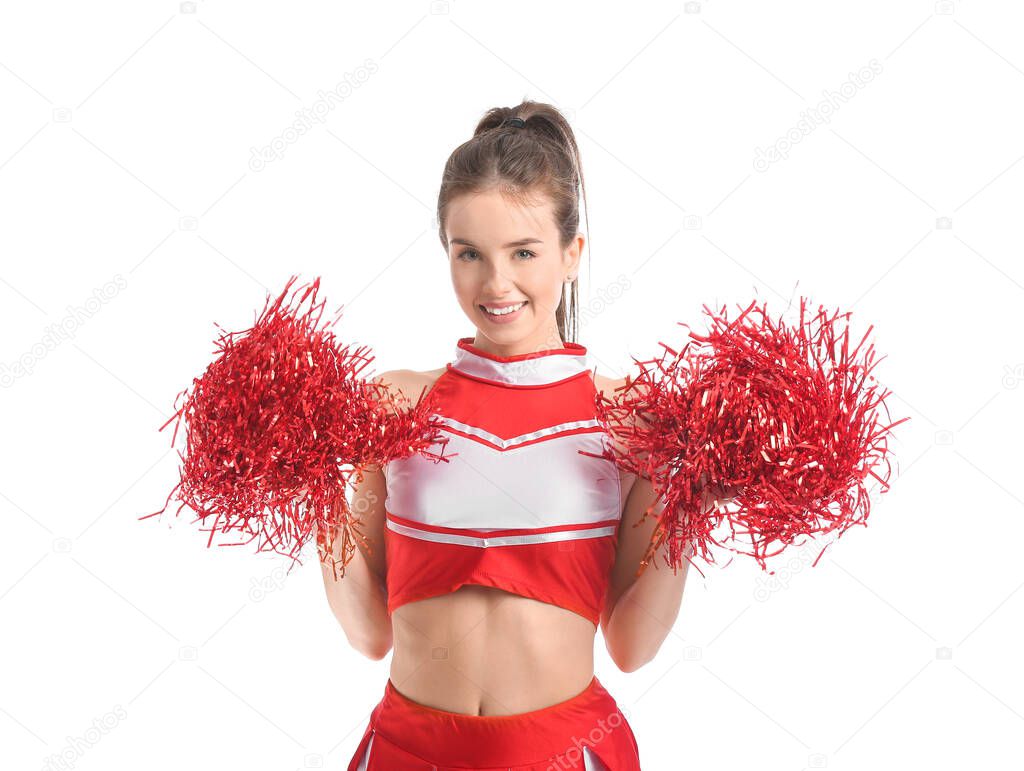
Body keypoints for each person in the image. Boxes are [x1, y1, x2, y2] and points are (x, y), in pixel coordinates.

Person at [320, 101, 704, 770]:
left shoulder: (630, 417)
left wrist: (693, 494)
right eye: (469, 253)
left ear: (571, 253)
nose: (496, 284)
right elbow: (367, 631)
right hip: (407, 752)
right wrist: (306, 490)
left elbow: (633, 645)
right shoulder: (394, 402)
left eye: (523, 252)